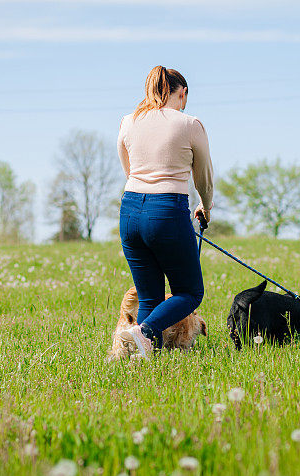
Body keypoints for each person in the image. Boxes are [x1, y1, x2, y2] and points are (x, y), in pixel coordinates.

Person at [115, 65, 214, 358]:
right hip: (167, 211)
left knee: (150, 296)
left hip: (130, 211)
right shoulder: (189, 123)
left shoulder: (128, 121)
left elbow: (128, 169)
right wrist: (205, 206)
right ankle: (144, 333)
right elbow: (204, 176)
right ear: (182, 94)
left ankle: (144, 355)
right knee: (190, 292)